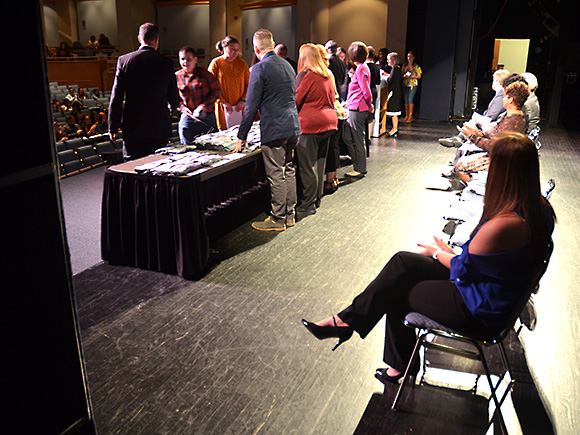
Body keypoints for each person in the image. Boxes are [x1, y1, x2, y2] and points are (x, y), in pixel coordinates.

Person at [303, 132, 555, 384]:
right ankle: (348, 322)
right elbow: (482, 263)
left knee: (397, 289)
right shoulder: (539, 209)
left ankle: (392, 358)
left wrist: (438, 253)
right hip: (492, 290)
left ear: (504, 172)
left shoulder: (503, 224)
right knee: (403, 263)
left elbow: (462, 269)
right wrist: (447, 253)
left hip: (478, 307)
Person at [235, 29, 301, 231]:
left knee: (276, 174)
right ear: (273, 44)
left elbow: (251, 105)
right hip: (293, 126)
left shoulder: (258, 68)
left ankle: (278, 219)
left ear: (255, 48)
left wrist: (241, 136)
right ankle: (290, 215)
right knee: (288, 169)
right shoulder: (288, 66)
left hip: (275, 128)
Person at [108, 23, 181, 161]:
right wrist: (171, 110)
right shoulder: (166, 63)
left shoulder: (124, 61)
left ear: (139, 39)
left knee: (132, 166)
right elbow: (174, 99)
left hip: (133, 126)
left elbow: (116, 97)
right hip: (159, 127)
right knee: (158, 167)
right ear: (157, 40)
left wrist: (112, 127)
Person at [451, 80, 529, 183]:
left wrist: (472, 137)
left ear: (510, 100)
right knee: (463, 161)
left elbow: (493, 146)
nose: (503, 99)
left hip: (500, 161)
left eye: (505, 96)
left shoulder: (512, 122)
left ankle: (488, 193)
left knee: (460, 167)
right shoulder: (513, 118)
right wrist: (477, 133)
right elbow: (493, 133)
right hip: (501, 157)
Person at [294, 43, 338, 216]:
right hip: (328, 123)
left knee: (307, 167)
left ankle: (307, 205)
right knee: (320, 164)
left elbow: (296, 100)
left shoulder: (307, 75)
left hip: (310, 126)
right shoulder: (326, 75)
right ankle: (316, 200)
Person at [439, 69, 510, 147]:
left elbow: (492, 115)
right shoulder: (500, 95)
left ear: (497, 81)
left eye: (493, 80)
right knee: (473, 121)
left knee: (474, 121)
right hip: (493, 122)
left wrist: (481, 119)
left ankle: (460, 138)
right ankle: (459, 138)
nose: (492, 83)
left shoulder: (501, 96)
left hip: (493, 124)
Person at [175, 46, 221, 144]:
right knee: (188, 150)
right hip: (188, 117)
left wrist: (204, 106)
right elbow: (173, 98)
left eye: (189, 59)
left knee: (212, 148)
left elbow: (216, 91)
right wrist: (182, 108)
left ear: (195, 60)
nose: (185, 62)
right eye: (182, 59)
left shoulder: (205, 74)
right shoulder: (176, 77)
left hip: (207, 117)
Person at [343, 41, 373, 179]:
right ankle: (357, 164)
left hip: (357, 108)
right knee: (348, 137)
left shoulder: (361, 69)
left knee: (357, 139)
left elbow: (366, 90)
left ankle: (359, 168)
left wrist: (369, 103)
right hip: (354, 107)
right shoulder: (361, 68)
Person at [208, 35, 250, 130]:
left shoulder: (242, 63)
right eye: (232, 49)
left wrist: (243, 100)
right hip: (223, 106)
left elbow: (248, 84)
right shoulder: (216, 63)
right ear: (224, 48)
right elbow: (210, 86)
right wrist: (223, 101)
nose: (235, 52)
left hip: (240, 106)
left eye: (237, 49)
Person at [384, 52, 403, 137]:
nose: (388, 61)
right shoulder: (396, 69)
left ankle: (395, 129)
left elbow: (390, 80)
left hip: (394, 93)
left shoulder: (395, 69)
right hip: (396, 93)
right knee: (394, 113)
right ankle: (394, 129)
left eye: (389, 59)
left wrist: (386, 77)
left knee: (394, 113)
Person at [401, 51, 422, 123]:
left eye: (410, 57)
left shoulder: (416, 66)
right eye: (408, 57)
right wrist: (404, 75)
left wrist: (412, 76)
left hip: (412, 85)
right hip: (405, 84)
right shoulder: (405, 65)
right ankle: (406, 115)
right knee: (406, 99)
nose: (409, 58)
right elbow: (402, 74)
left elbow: (419, 76)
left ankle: (410, 116)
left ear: (413, 58)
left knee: (410, 99)